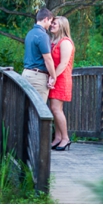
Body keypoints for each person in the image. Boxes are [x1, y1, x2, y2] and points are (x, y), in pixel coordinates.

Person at [48, 15, 75, 151]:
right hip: (55, 78)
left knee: (56, 109)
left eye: (55, 24)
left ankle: (65, 138)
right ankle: (57, 137)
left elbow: (64, 63)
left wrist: (53, 77)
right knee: (55, 109)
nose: (52, 25)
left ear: (62, 26)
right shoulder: (54, 41)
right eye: (52, 23)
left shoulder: (65, 42)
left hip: (61, 79)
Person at [22, 8, 57, 104]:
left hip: (26, 74)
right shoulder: (43, 35)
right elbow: (48, 59)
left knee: (27, 109)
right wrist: (53, 77)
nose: (50, 24)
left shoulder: (30, 33)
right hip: (38, 78)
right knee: (39, 111)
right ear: (45, 19)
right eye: (50, 21)